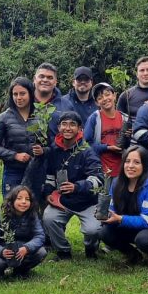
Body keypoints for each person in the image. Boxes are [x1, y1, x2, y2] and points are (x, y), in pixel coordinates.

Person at [41, 111, 105, 259]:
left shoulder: (87, 151)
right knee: (49, 217)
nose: (68, 128)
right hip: (63, 201)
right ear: (58, 127)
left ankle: (91, 248)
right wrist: (49, 193)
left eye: (72, 124)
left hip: (88, 202)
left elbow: (98, 178)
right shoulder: (54, 150)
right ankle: (63, 251)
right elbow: (50, 176)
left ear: (80, 129)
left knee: (93, 230)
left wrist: (76, 187)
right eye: (64, 124)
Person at [98, 146, 148, 265]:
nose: (130, 166)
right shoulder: (117, 182)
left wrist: (119, 219)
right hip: (131, 221)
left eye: (136, 162)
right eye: (127, 161)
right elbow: (112, 210)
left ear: (145, 165)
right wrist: (104, 214)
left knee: (143, 240)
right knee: (105, 233)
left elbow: (146, 222)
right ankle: (133, 255)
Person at [0, 77, 43, 196]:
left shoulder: (41, 116)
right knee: (11, 205)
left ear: (30, 93)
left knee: (35, 205)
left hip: (36, 171)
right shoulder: (5, 117)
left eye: (22, 93)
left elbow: (50, 144)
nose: (18, 97)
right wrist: (15, 155)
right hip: (12, 172)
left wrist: (42, 150)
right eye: (15, 94)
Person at [0, 185, 47, 279]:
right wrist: (1, 251)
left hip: (23, 250)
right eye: (19, 198)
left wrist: (27, 248)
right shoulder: (1, 216)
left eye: (27, 199)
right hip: (4, 251)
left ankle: (21, 271)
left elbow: (40, 236)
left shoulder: (33, 215)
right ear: (12, 201)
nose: (23, 202)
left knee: (41, 252)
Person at [83, 81, 124, 179]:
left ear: (114, 95)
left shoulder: (124, 118)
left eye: (107, 94)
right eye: (100, 98)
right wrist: (107, 148)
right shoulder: (94, 118)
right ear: (97, 102)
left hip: (123, 170)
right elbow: (85, 145)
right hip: (102, 170)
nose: (105, 99)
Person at [116, 56, 148, 146]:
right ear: (137, 74)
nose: (145, 73)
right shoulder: (126, 95)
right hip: (133, 146)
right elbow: (118, 121)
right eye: (142, 70)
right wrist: (125, 131)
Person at [33, 62, 74, 141]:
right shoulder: (24, 103)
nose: (45, 80)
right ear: (34, 79)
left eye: (50, 77)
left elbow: (74, 135)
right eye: (41, 76)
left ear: (55, 82)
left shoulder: (66, 105)